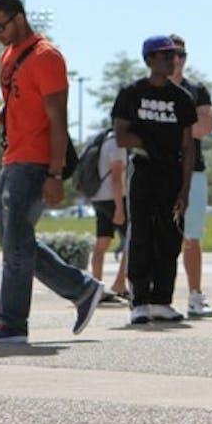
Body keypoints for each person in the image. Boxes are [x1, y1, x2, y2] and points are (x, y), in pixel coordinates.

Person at [0, 0, 104, 344]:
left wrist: (55, 174)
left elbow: (57, 120)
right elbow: (21, 104)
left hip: (35, 162)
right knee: (13, 240)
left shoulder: (46, 56)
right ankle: (82, 288)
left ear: (19, 17)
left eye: (1, 26)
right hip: (13, 156)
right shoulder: (9, 55)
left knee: (15, 243)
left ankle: (12, 324)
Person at [113, 35, 197, 325]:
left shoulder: (182, 99)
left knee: (169, 238)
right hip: (144, 171)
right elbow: (120, 134)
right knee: (141, 236)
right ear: (149, 60)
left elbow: (188, 147)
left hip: (172, 175)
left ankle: (162, 300)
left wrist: (186, 189)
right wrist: (147, 142)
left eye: (174, 55)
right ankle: (139, 301)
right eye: (164, 55)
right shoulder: (132, 93)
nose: (171, 60)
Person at [169, 34, 212, 319]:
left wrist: (167, 127)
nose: (177, 59)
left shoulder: (197, 90)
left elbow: (206, 126)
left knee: (192, 237)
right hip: (160, 172)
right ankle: (155, 296)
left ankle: (195, 295)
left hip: (193, 171)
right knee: (160, 237)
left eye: (182, 54)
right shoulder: (151, 89)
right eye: (172, 53)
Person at [90, 126, 129, 302]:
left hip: (98, 197)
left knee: (102, 242)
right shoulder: (117, 143)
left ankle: (95, 287)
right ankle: (120, 283)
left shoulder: (103, 140)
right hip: (114, 198)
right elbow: (116, 176)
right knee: (131, 239)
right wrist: (120, 208)